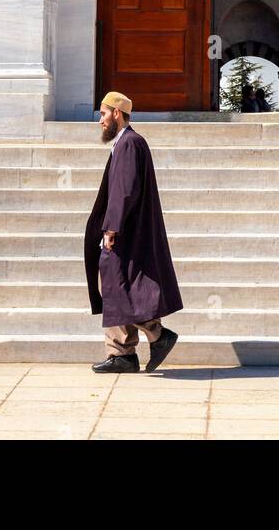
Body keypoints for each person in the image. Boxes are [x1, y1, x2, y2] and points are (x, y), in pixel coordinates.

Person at [84, 91, 183, 374]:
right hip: (126, 229)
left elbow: (124, 191)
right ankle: (122, 354)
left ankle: (156, 336)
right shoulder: (127, 143)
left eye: (103, 114)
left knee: (116, 287)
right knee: (115, 286)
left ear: (117, 113)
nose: (100, 120)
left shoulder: (130, 143)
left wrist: (112, 227)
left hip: (126, 231)